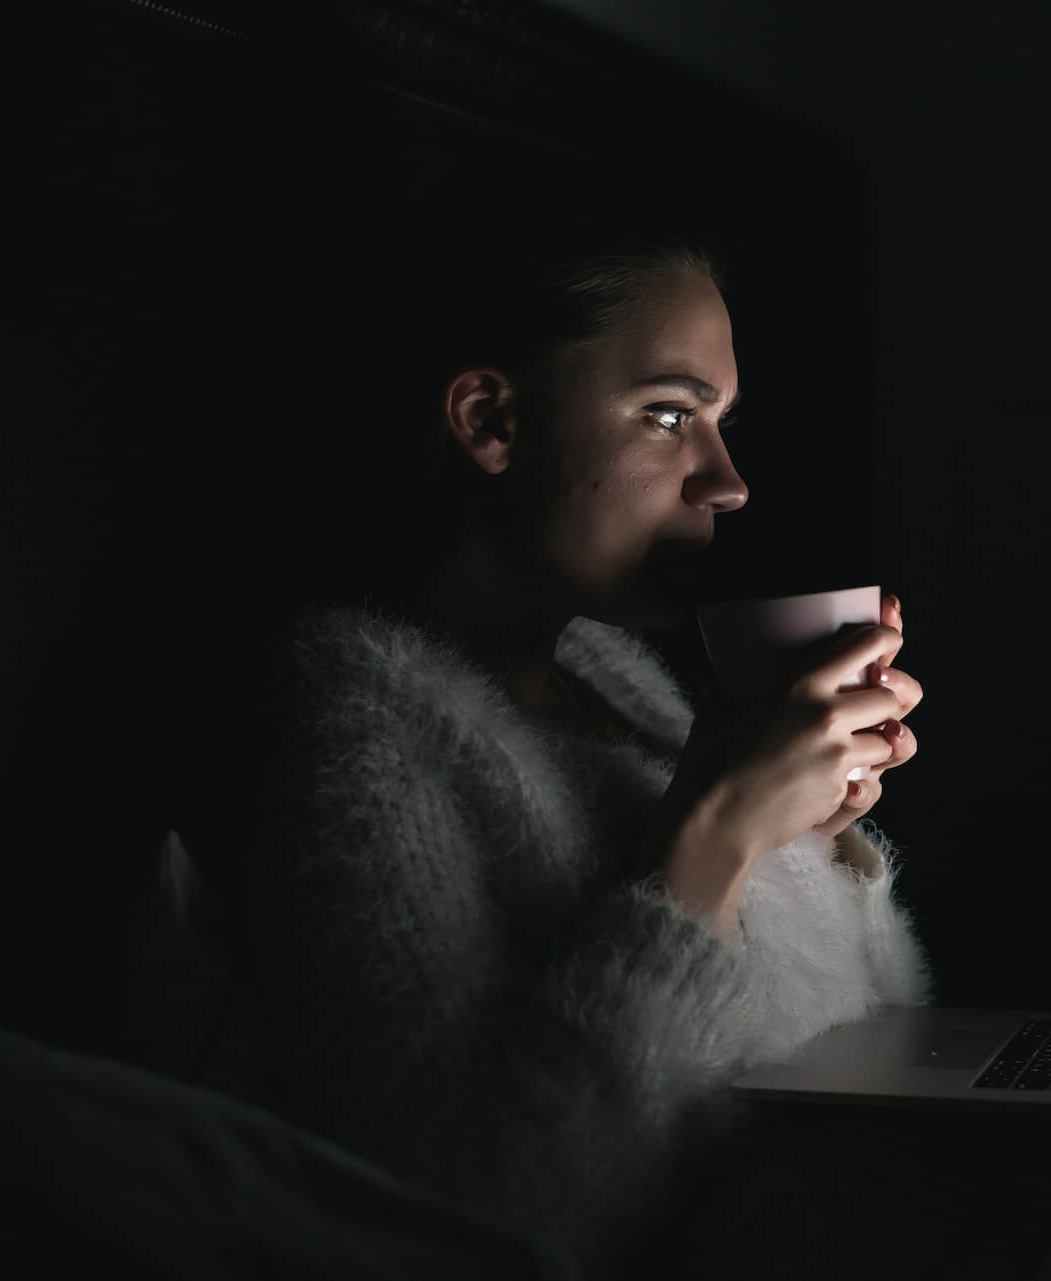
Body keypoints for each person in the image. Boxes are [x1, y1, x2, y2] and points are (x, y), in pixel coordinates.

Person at [121, 194, 933, 1273]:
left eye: (723, 423)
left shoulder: (613, 681)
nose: (727, 483)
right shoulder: (349, 718)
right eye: (667, 416)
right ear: (490, 421)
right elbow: (486, 1207)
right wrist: (711, 845)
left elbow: (882, 1035)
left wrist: (822, 835)